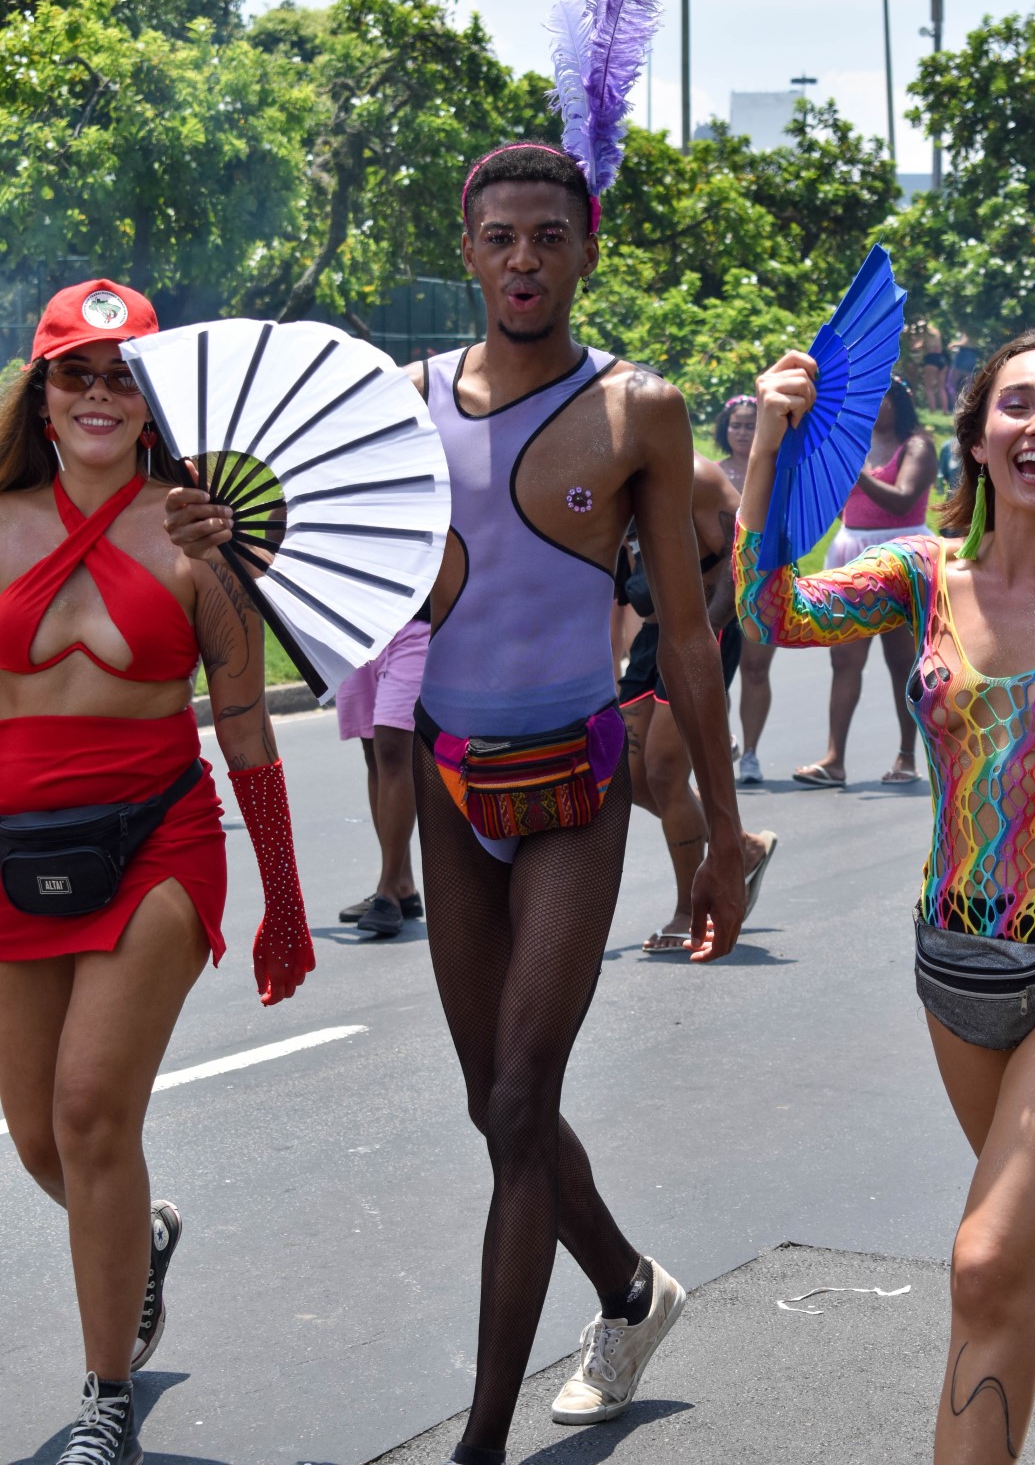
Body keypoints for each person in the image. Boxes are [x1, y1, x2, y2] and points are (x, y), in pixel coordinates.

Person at [166, 142, 746, 1465]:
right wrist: (220, 544)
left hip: (581, 779)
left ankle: (480, 1442)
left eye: (550, 235)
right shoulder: (403, 401)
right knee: (501, 1106)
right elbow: (321, 580)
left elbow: (691, 636)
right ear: (470, 246)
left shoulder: (638, 410)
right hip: (449, 779)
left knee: (524, 1090)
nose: (525, 259)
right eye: (500, 237)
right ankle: (626, 1288)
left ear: (588, 244)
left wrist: (712, 837)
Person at [736, 324, 1035, 1464]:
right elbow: (774, 611)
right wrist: (770, 449)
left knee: (987, 1263)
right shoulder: (921, 575)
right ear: (976, 436)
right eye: (1018, 404)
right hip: (956, 964)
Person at [0, 279, 315, 1465]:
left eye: (122, 373)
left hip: (160, 841)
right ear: (42, 393)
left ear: (152, 400)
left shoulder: (200, 541)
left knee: (91, 1110)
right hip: (11, 849)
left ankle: (102, 1397)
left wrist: (283, 898)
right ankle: (145, 1234)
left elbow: (243, 729)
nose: (98, 392)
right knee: (37, 1137)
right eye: (75, 370)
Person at [618, 444, 777, 951]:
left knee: (665, 773)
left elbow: (743, 559)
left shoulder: (694, 477)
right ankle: (745, 846)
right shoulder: (605, 477)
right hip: (649, 638)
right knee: (631, 778)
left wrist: (704, 631)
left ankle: (690, 908)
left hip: (701, 630)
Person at [792, 381, 936, 786]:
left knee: (902, 662)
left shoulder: (917, 446)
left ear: (899, 402)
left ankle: (907, 758)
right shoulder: (853, 444)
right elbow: (842, 506)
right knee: (844, 660)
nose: (873, 405)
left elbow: (902, 499)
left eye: (881, 398)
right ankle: (834, 759)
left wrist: (855, 471)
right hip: (853, 551)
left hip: (902, 554)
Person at [336, 606, 430, 936]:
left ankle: (387, 890)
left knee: (393, 748)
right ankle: (403, 885)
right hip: (357, 623)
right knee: (372, 749)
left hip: (416, 619)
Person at [715, 393, 775, 783]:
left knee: (755, 670)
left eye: (750, 425)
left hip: (764, 580)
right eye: (735, 424)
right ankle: (723, 744)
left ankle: (751, 753)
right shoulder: (710, 472)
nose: (741, 431)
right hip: (716, 587)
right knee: (715, 673)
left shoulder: (776, 471)